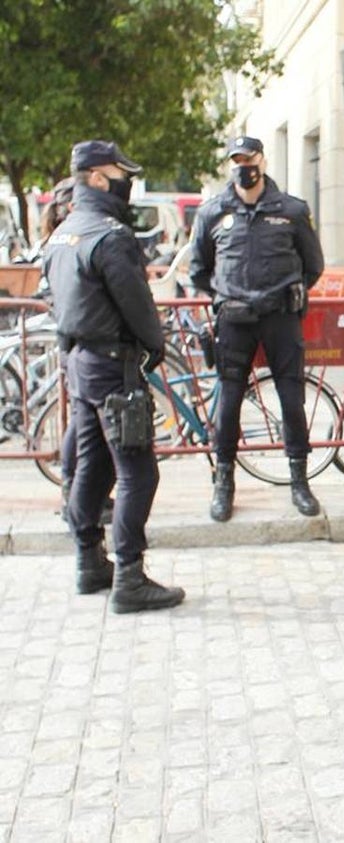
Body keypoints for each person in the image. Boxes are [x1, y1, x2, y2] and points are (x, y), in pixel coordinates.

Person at [43, 140, 185, 613]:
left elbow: (53, 299)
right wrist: (154, 347)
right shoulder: (111, 237)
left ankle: (89, 561)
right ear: (98, 178)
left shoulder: (63, 234)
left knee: (92, 464)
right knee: (138, 473)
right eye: (121, 175)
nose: (128, 184)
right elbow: (139, 308)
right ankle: (129, 576)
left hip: (79, 363)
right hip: (112, 366)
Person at [189, 136, 325, 522]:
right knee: (228, 404)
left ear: (262, 161)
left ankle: (299, 481)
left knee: (292, 401)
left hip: (281, 317)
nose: (242, 167)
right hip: (234, 320)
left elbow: (313, 265)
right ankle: (224, 483)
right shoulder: (212, 212)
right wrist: (224, 296)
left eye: (248, 159)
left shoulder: (292, 210)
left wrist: (288, 291)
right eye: (236, 160)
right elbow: (198, 270)